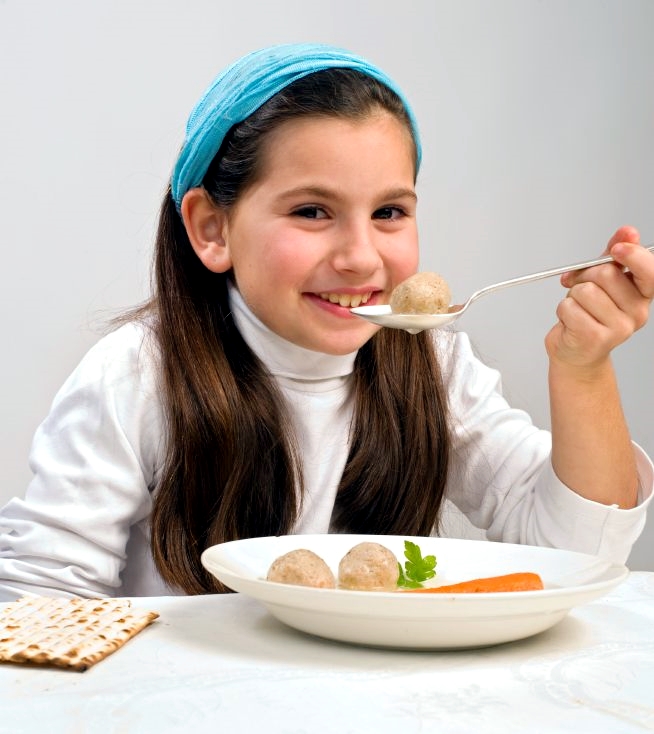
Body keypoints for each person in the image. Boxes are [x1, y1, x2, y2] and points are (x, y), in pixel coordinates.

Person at [0, 43, 653, 601]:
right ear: (211, 228)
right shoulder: (138, 375)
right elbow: (40, 598)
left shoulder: (438, 368)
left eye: (390, 212)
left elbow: (575, 555)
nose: (361, 255)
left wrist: (583, 369)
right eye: (313, 211)